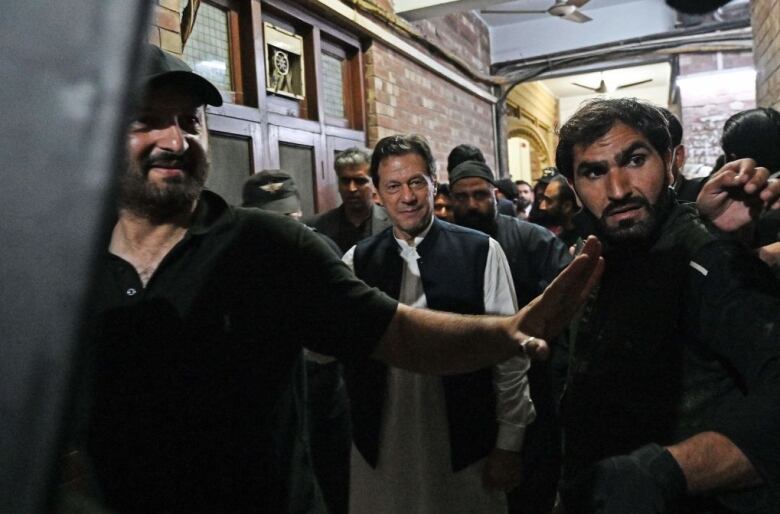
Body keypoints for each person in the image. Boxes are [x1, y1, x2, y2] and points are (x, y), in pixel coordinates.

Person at [80, 46, 604, 514]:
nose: (176, 139)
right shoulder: (62, 267)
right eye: (147, 121)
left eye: (190, 121)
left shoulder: (270, 248)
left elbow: (399, 334)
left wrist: (508, 332)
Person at [554, 97, 780, 513]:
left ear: (671, 163)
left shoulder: (709, 260)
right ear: (574, 186)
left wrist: (666, 471)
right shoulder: (599, 257)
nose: (618, 189)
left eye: (635, 160)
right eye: (594, 171)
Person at [343, 134, 533, 514]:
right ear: (378, 194)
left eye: (416, 182)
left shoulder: (481, 252)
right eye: (393, 186)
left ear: (434, 182)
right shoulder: (356, 261)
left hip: (466, 444)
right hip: (381, 445)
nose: (407, 197)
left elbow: (509, 354)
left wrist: (509, 442)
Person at [448, 160, 571, 514]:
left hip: (533, 385)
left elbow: (565, 304)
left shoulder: (533, 240)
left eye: (479, 195)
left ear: (494, 194)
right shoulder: (444, 247)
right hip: (470, 392)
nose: (472, 205)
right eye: (462, 197)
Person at [242, 170, 349, 514]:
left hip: (323, 388)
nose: (285, 227)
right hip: (266, 395)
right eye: (274, 219)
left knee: (331, 479)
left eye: (289, 216)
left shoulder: (322, 248)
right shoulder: (236, 257)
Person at [307, 147, 390, 253]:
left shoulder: (395, 223)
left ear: (374, 183)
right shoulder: (316, 226)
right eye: (345, 181)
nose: (352, 188)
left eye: (360, 181)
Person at [538, 175, 580, 248]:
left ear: (567, 206)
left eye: (549, 201)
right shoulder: (559, 237)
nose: (542, 207)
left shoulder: (585, 240)